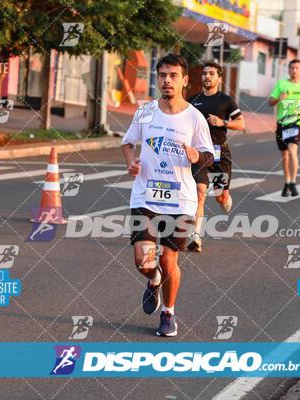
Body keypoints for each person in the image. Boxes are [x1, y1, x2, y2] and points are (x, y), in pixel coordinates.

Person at [121, 54, 214, 337]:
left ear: (185, 80)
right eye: (162, 75)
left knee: (169, 259)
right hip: (145, 197)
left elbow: (209, 155)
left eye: (173, 75)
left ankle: (169, 313)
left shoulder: (195, 117)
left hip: (180, 200)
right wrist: (131, 161)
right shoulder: (146, 111)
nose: (167, 81)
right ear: (157, 78)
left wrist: (197, 154)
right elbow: (128, 142)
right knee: (145, 262)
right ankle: (153, 280)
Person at [186, 62, 245, 252]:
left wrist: (223, 122)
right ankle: (196, 237)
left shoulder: (226, 101)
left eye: (211, 74)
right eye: (204, 73)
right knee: (200, 194)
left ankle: (225, 200)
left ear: (219, 78)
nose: (207, 77)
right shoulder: (192, 100)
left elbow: (241, 123)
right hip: (201, 155)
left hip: (220, 155)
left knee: (220, 197)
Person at [268, 59, 300, 197]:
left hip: (297, 122)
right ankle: (287, 182)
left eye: (297, 68)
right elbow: (270, 102)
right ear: (289, 69)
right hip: (282, 123)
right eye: (292, 68)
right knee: (285, 155)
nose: (294, 70)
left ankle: (293, 182)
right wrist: (279, 99)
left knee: (292, 149)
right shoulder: (281, 84)